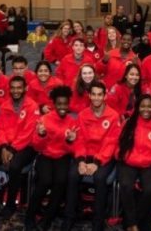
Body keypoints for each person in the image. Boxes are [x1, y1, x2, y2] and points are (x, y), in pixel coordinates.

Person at [63, 82, 121, 231]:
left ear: (105, 96)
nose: (96, 97)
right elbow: (79, 139)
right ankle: (69, 218)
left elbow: (111, 143)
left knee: (100, 178)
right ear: (89, 96)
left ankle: (98, 221)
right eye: (93, 94)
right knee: (72, 175)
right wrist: (81, 161)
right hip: (85, 155)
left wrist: (97, 162)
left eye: (99, 94)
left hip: (104, 157)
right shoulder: (83, 115)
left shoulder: (113, 116)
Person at [26, 86, 77, 231]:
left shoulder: (72, 121)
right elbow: (36, 146)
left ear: (68, 104)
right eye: (59, 104)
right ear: (54, 104)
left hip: (62, 156)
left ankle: (48, 218)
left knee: (61, 182)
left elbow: (73, 151)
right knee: (45, 181)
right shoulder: (44, 119)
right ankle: (30, 216)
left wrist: (69, 141)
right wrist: (41, 135)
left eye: (65, 104)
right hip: (46, 155)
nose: (62, 107)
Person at [117, 94, 151, 231]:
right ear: (138, 108)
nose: (146, 109)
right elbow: (119, 145)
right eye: (143, 106)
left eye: (149, 106)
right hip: (129, 161)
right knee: (126, 186)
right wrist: (127, 157)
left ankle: (132, 223)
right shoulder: (128, 123)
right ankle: (134, 225)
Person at [0, 76, 40, 219]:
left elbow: (28, 133)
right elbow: (0, 128)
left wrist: (12, 149)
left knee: (14, 166)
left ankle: (10, 205)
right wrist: (3, 147)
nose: (16, 90)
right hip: (7, 144)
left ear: (25, 89)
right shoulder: (4, 105)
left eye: (19, 87)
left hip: (27, 146)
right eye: (13, 88)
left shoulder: (32, 106)